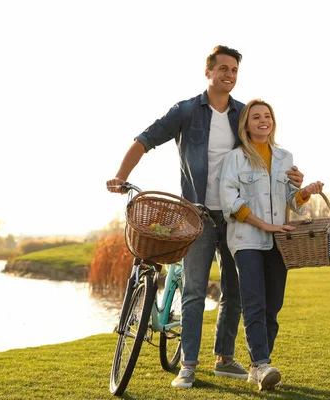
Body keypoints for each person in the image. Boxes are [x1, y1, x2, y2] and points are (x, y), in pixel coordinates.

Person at [106, 46, 305, 389]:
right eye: (223, 69)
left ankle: (224, 358)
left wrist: (293, 179)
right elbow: (144, 140)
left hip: (239, 217)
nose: (229, 75)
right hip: (196, 215)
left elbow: (265, 149)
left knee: (235, 290)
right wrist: (121, 176)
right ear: (208, 72)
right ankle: (188, 365)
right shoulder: (185, 111)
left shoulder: (243, 113)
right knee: (195, 289)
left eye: (234, 70)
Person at [218, 99, 323, 390]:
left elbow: (291, 200)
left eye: (267, 116)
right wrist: (264, 225)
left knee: (273, 306)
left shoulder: (285, 157)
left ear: (272, 122)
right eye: (256, 117)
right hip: (246, 239)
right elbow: (230, 201)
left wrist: (305, 193)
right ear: (246, 125)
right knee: (254, 302)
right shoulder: (234, 159)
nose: (263, 121)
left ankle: (256, 366)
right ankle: (263, 365)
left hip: (280, 241)